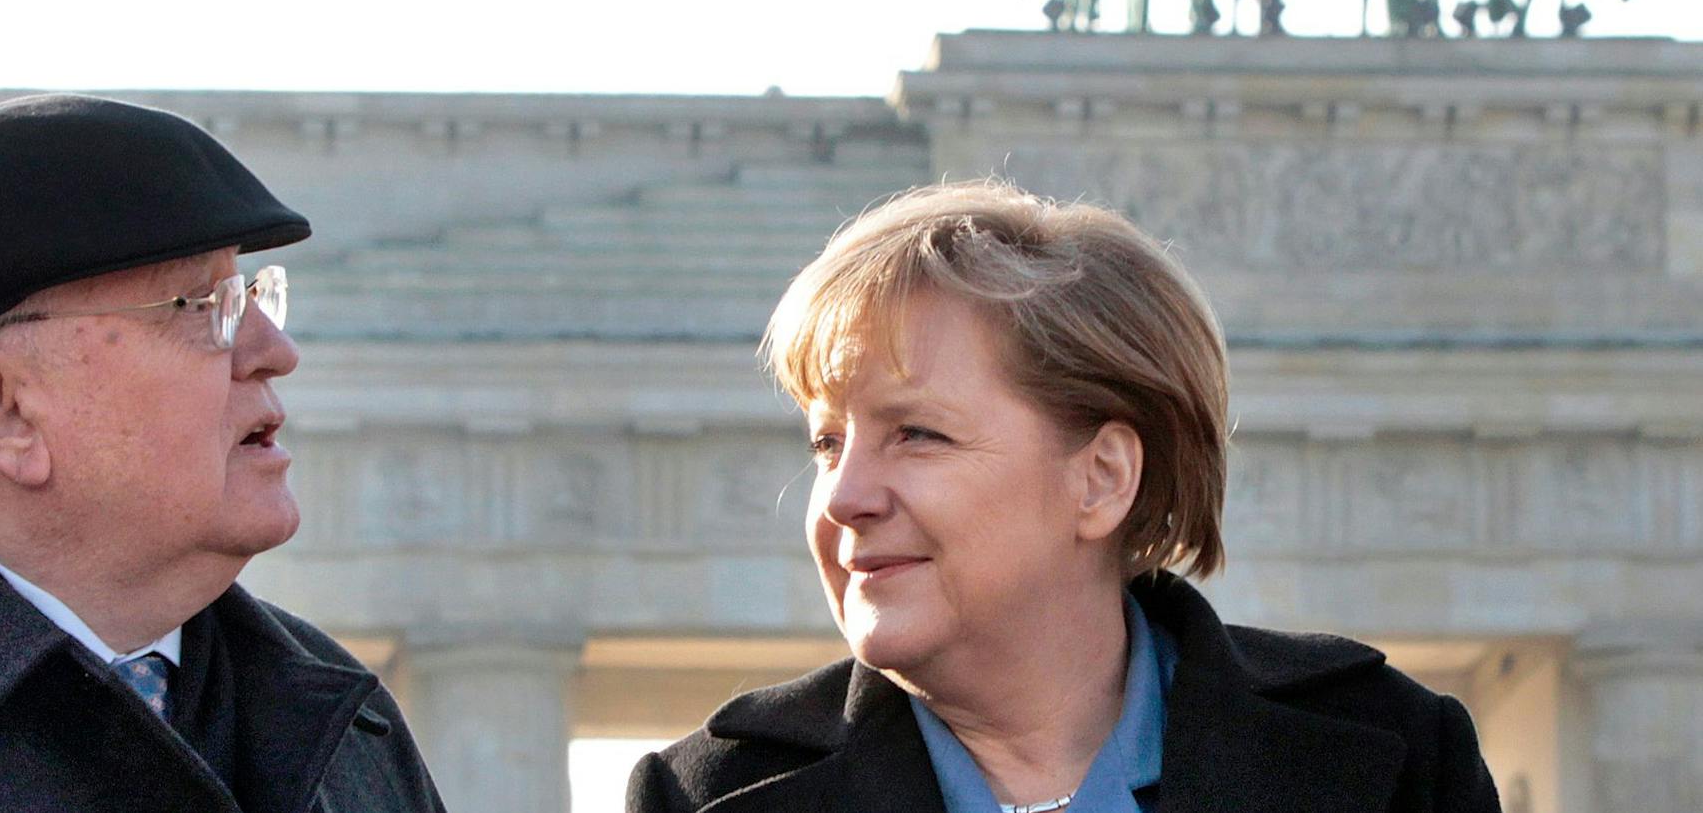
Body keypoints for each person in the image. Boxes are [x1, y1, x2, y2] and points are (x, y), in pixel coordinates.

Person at [627, 180, 1499, 813]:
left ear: (1102, 478)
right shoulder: (700, 801)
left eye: (915, 434)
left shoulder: (1398, 762)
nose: (844, 495)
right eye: (827, 442)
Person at [0, 94, 445, 813]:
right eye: (201, 307)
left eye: (252, 297)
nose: (276, 352)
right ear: (6, 409)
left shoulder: (339, 717)